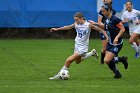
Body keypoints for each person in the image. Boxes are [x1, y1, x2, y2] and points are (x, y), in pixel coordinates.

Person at [49, 12, 108, 80]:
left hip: (83, 48)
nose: (76, 21)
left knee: (69, 60)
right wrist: (57, 29)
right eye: (75, 20)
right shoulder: (76, 23)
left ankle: (59, 74)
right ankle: (92, 53)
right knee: (77, 62)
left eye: (77, 20)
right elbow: (68, 27)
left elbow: (100, 29)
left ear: (81, 18)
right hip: (77, 45)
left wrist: (107, 37)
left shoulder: (88, 25)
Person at [100, 3, 128, 78]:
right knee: (108, 60)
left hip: (117, 43)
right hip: (110, 43)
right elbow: (104, 28)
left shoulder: (115, 19)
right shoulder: (106, 20)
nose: (102, 13)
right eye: (102, 11)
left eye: (103, 11)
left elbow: (123, 29)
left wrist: (116, 37)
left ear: (109, 10)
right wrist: (94, 24)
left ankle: (122, 60)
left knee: (106, 60)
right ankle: (117, 73)